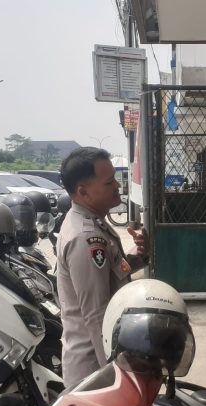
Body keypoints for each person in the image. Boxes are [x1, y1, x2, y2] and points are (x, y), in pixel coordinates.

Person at [57, 147, 149, 387]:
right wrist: (117, 377)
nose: (117, 186)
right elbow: (97, 315)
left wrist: (140, 254)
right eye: (109, 182)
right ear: (83, 191)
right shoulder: (85, 238)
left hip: (101, 362)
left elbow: (114, 270)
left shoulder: (94, 224)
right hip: (95, 371)